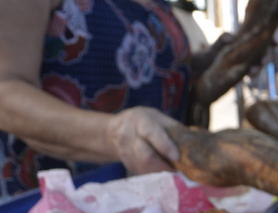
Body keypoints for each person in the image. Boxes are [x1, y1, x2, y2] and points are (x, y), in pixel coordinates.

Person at [0, 0, 194, 196]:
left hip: (152, 197)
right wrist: (114, 133)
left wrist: (202, 76)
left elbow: (151, 75)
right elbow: (5, 93)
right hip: (54, 204)